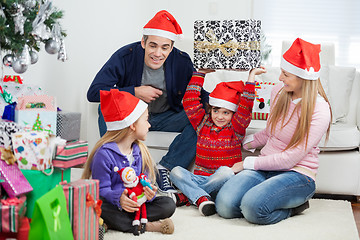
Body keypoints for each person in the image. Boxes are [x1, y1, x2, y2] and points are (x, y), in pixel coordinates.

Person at [87, 10, 209, 193]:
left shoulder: (181, 61)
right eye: (153, 45)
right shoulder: (125, 56)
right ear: (143, 42)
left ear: (171, 47)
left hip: (168, 117)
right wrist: (135, 91)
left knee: (204, 116)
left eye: (165, 47)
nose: (158, 53)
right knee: (105, 107)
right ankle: (114, 166)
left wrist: (219, 102)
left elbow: (197, 94)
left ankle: (165, 168)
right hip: (133, 120)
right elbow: (95, 92)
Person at [215, 38, 332, 225]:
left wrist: (246, 163)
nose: (279, 78)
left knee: (252, 208)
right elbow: (271, 133)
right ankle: (268, 200)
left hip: (297, 174)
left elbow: (291, 158)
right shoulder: (279, 91)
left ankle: (294, 207)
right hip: (266, 168)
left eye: (285, 74)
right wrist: (238, 141)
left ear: (303, 78)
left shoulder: (320, 109)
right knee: (224, 206)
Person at [169, 67, 266, 216]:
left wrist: (251, 76)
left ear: (233, 113)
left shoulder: (236, 128)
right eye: (216, 111)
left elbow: (246, 104)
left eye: (225, 112)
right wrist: (199, 73)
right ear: (210, 109)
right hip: (201, 177)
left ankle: (189, 197)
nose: (219, 116)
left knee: (226, 172)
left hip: (225, 182)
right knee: (175, 171)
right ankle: (201, 197)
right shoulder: (202, 123)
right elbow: (190, 101)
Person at [81, 89, 176, 235]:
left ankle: (124, 222)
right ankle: (146, 225)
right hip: (113, 205)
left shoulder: (140, 151)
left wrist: (148, 193)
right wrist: (119, 199)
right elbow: (100, 190)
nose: (149, 125)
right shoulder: (104, 155)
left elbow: (145, 182)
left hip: (136, 204)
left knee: (168, 204)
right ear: (132, 125)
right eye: (146, 120)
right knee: (97, 207)